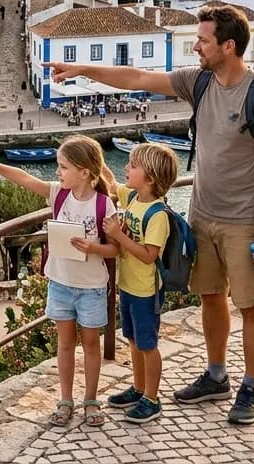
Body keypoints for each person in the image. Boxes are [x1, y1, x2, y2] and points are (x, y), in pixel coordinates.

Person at [48, 3, 254, 425]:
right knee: (210, 295)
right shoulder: (199, 81)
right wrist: (84, 70)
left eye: (203, 41)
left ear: (228, 46)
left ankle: (252, 386)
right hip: (202, 213)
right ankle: (216, 375)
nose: (196, 47)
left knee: (250, 303)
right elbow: (138, 78)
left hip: (245, 219)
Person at [0, 136, 119, 428]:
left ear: (84, 172)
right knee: (65, 344)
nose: (58, 172)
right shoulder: (58, 194)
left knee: (91, 344)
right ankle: (66, 400)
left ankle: (90, 399)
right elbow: (25, 179)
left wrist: (93, 248)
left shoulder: (104, 205)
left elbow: (114, 249)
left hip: (91, 287)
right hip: (60, 283)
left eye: (63, 167)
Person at [102, 142, 177, 423]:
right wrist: (97, 160)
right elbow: (112, 184)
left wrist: (119, 236)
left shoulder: (157, 215)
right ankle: (139, 387)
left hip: (146, 290)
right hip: (128, 285)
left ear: (150, 178)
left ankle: (152, 398)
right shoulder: (133, 197)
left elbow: (149, 255)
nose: (126, 168)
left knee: (147, 344)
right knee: (133, 339)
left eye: (133, 166)